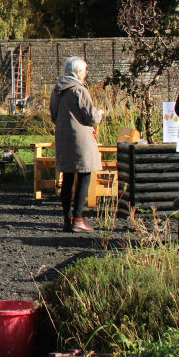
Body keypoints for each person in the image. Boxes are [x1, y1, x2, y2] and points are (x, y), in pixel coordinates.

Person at [50, 56, 105, 233]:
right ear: (79, 72)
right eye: (85, 70)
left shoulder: (57, 90)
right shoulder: (79, 90)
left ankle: (67, 219)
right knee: (84, 175)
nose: (86, 73)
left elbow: (53, 116)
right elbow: (92, 117)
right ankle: (79, 219)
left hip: (63, 136)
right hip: (81, 138)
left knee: (67, 178)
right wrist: (101, 113)